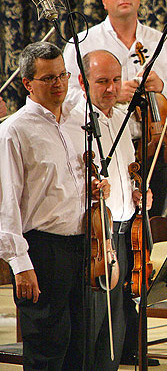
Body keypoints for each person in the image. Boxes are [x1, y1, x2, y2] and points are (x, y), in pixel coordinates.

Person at [0, 42, 109, 370]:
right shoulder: (13, 131)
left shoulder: (82, 123)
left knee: (81, 346)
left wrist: (99, 188)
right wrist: (20, 264)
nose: (59, 83)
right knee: (49, 348)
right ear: (27, 83)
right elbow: (6, 202)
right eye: (48, 78)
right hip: (43, 250)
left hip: (82, 245)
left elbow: (85, 178)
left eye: (62, 75)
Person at [62, 0, 167, 218]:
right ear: (104, 1)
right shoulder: (83, 42)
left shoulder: (160, 42)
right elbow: (67, 96)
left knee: (151, 226)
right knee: (112, 223)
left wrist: (162, 87)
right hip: (106, 149)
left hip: (154, 150)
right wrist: (111, 93)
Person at [63, 49, 149, 371]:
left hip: (124, 234)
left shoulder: (123, 119)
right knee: (93, 327)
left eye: (116, 80)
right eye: (102, 82)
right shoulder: (75, 123)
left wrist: (137, 192)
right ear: (84, 83)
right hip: (98, 238)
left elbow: (127, 173)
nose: (111, 88)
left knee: (117, 326)